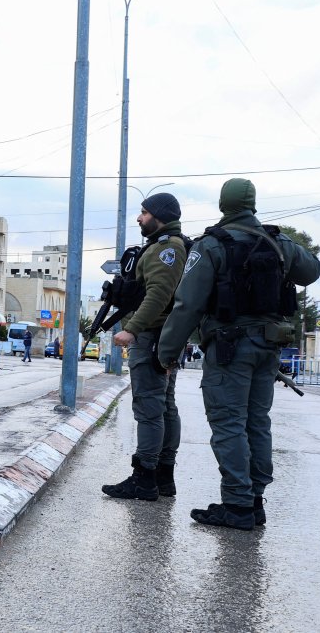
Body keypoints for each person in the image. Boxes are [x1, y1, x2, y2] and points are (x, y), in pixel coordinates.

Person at [158, 178, 320, 530]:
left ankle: (237, 505)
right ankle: (254, 500)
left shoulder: (212, 245)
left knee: (229, 424)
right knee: (257, 422)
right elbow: (312, 270)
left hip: (229, 349)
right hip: (268, 348)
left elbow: (187, 305)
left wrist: (167, 351)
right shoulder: (277, 242)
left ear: (223, 204)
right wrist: (281, 242)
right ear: (252, 204)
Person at [102, 192, 188, 502]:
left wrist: (133, 329)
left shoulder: (167, 248)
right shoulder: (167, 246)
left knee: (150, 408)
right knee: (164, 407)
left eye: (144, 213)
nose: (139, 218)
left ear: (160, 215)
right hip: (162, 337)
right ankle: (163, 477)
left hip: (152, 337)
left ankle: (145, 478)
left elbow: (159, 296)